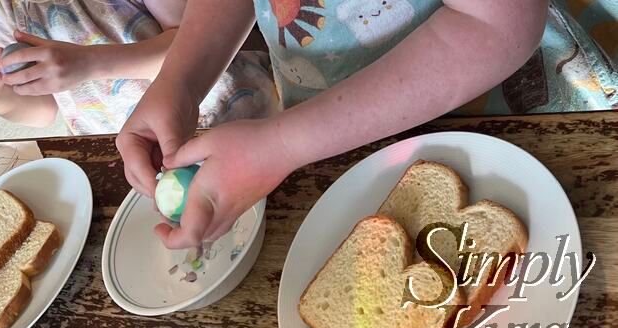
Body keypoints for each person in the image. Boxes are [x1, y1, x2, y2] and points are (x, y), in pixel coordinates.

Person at [116, 0, 617, 249]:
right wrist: (178, 81)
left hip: (508, 129)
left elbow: (497, 23)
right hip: (330, 143)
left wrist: (283, 142)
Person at [0, 0, 278, 134]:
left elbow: (194, 42)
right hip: (125, 149)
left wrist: (88, 64)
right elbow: (42, 112)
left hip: (230, 114)